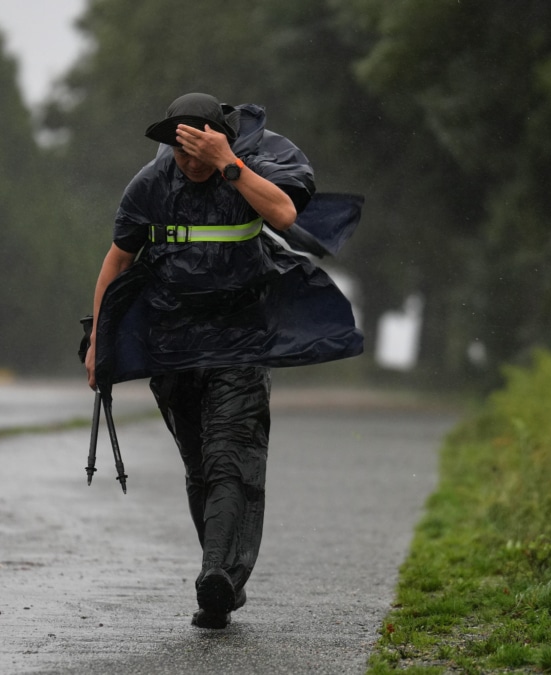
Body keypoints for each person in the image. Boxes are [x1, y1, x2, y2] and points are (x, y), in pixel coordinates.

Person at [83, 93, 362, 629]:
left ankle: (215, 578)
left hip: (240, 342)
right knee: (199, 466)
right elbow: (117, 260)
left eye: (198, 150)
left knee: (230, 459)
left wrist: (227, 165)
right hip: (174, 347)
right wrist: (100, 341)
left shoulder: (244, 172)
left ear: (218, 140)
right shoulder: (149, 186)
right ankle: (225, 578)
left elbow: (283, 213)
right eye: (180, 151)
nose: (189, 163)